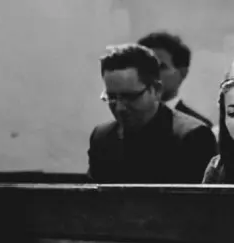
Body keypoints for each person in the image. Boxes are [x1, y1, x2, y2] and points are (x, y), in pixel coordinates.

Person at [88, 44, 215, 184]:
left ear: (156, 90)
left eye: (130, 97)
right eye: (111, 97)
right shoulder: (102, 138)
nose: (119, 108)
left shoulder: (193, 137)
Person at [138, 31, 212, 126]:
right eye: (144, 67)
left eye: (161, 68)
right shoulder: (124, 125)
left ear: (182, 72)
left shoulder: (198, 127)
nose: (150, 74)